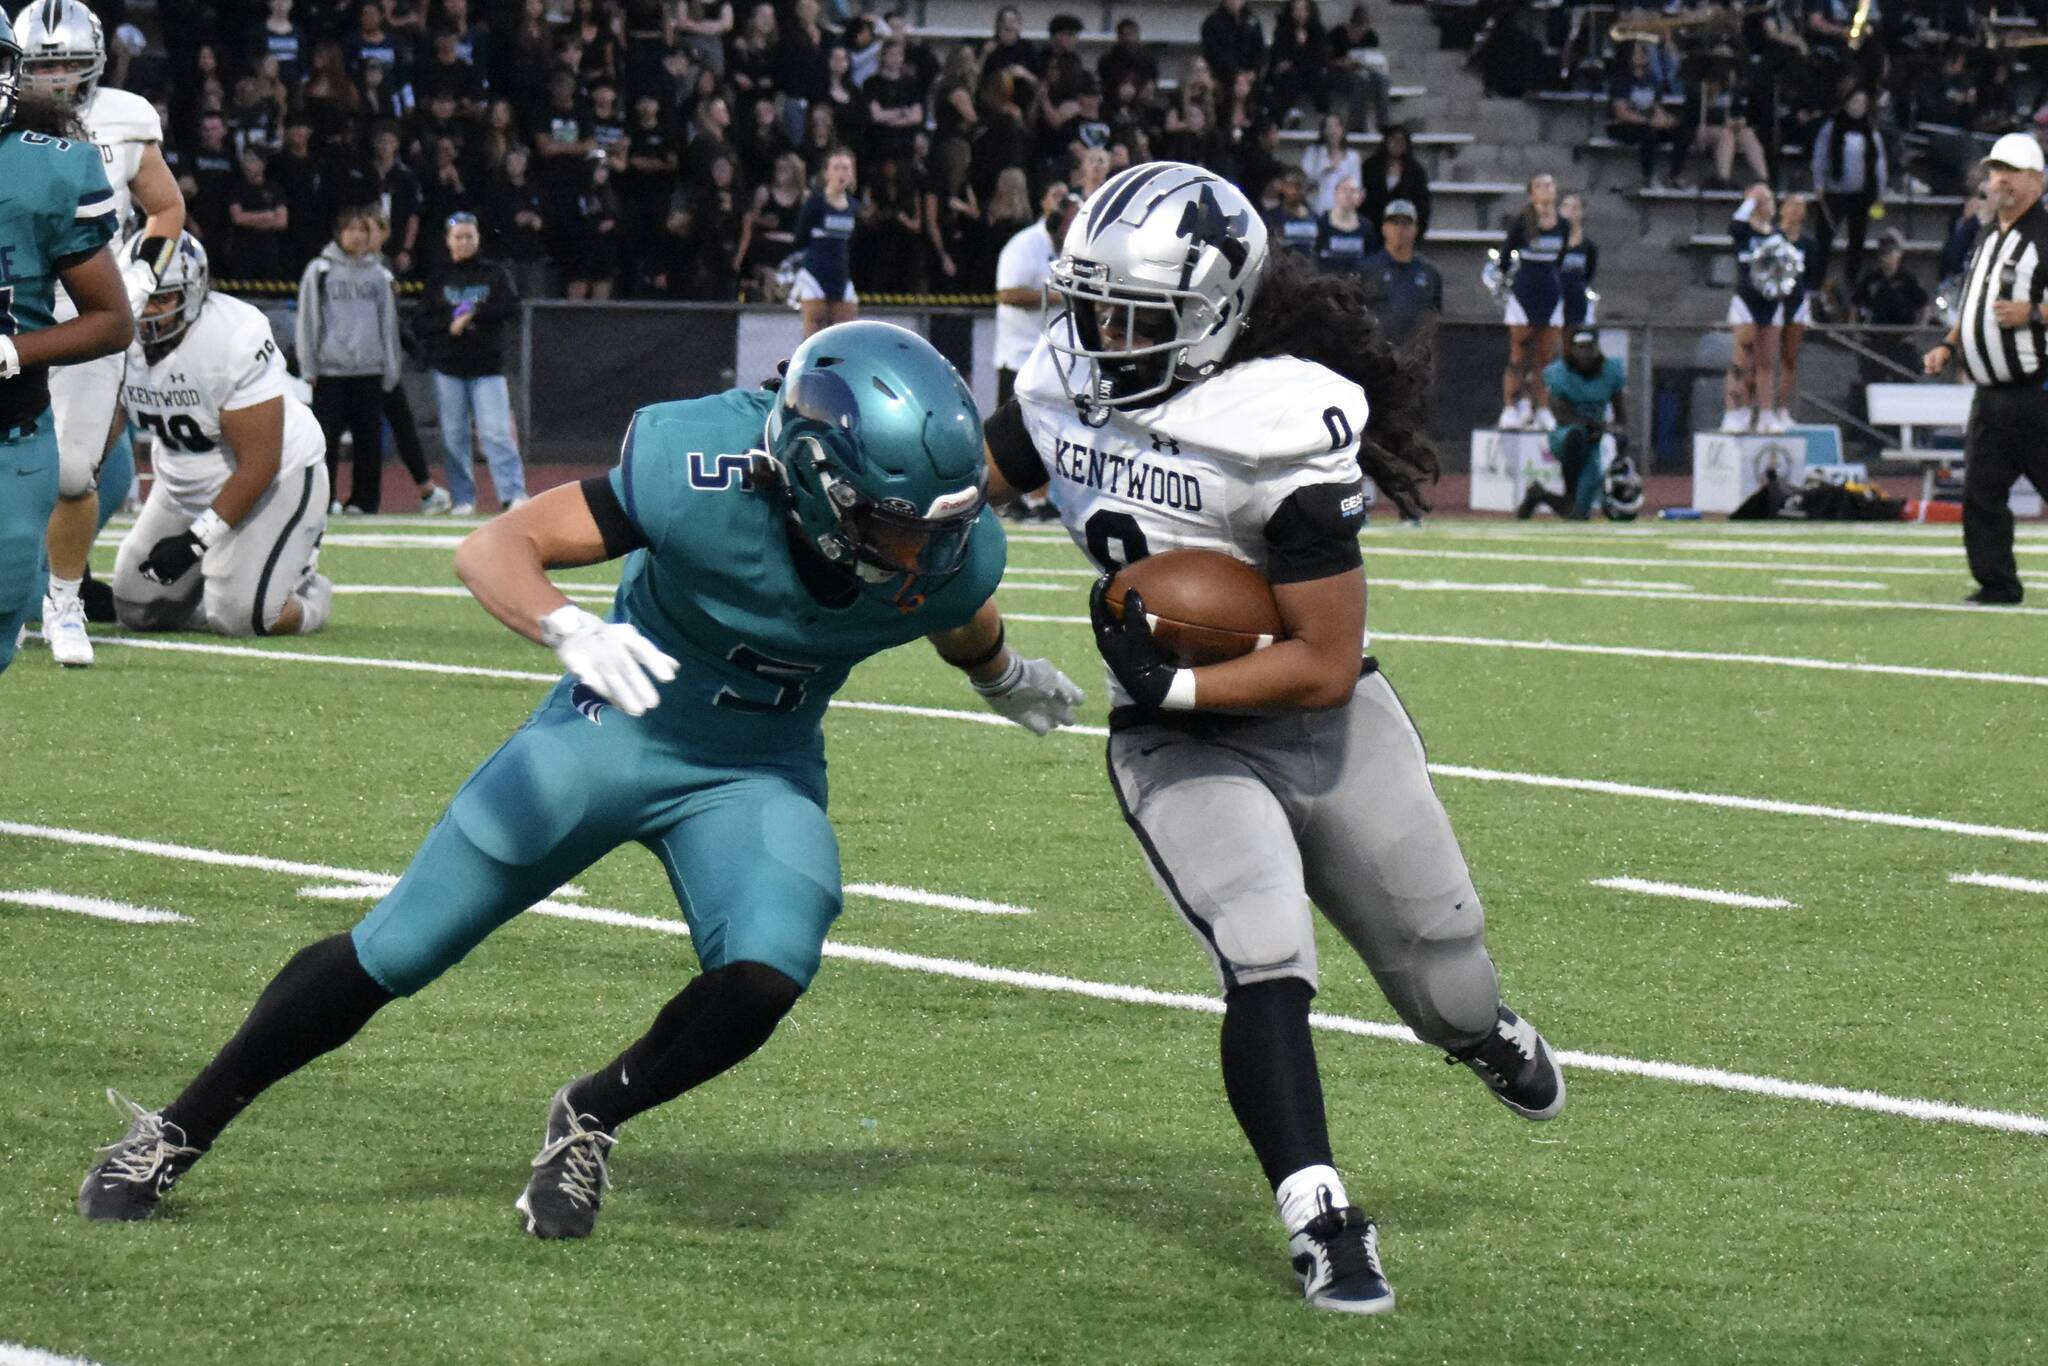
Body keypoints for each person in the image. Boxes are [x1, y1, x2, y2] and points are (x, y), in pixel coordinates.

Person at [77, 321, 1085, 1233]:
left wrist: (1000, 675)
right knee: (400, 946)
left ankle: (591, 1114)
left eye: (942, 526)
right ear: (816, 481)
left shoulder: (944, 548)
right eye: (901, 528)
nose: (926, 552)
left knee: (770, 965)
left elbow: (952, 603)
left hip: (756, 767)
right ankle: (179, 1126)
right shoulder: (699, 471)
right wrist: (568, 626)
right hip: (617, 724)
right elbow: (496, 546)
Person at [984, 161, 1564, 1316]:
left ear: (1211, 311)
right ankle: (1320, 1215)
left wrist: (1179, 679)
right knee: (1263, 954)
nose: (1098, 336)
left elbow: (1323, 660)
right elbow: (964, 485)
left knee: (1446, 983)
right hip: (1177, 742)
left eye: (1129, 314)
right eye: (1089, 306)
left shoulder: (1279, 423)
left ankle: (1478, 1033)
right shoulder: (1060, 384)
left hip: (1320, 719)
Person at [20, 0, 183, 671]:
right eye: (43, 65)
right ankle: (17, 592)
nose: (57, 78)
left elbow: (166, 207)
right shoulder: (7, 118)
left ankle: (64, 600)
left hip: (87, 310)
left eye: (68, 63)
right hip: (14, 305)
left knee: (73, 471)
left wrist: (141, 277)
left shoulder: (125, 116)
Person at [109, 233, 332, 637]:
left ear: (194, 293)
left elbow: (260, 464)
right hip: (183, 485)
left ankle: (308, 592)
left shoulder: (233, 336)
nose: (147, 311)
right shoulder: (116, 335)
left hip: (274, 483)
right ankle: (223, 585)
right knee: (138, 610)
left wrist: (195, 542)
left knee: (244, 617)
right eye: (140, 295)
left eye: (163, 298)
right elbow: (97, 441)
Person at [0, 15, 134, 676]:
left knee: (7, 591)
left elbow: (112, 319)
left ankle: (62, 600)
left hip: (13, 423)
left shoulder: (50, 166)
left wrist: (14, 351)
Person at [1922, 132, 2048, 606]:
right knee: (1980, 493)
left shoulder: (2044, 235)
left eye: (2012, 171)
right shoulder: (1987, 233)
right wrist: (1948, 346)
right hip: (1990, 396)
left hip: (2036, 391)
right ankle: (1997, 584)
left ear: (2037, 180)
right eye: (1996, 170)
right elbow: (1974, 304)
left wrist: (2033, 313)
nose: (2001, 180)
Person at [419, 212, 526, 516]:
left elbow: (512, 308)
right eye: (458, 237)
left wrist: (474, 314)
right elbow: (423, 321)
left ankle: (513, 494)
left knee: (496, 433)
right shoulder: (439, 277)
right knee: (454, 437)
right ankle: (463, 499)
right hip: (448, 368)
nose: (464, 242)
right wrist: (449, 324)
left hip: (487, 368)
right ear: (448, 240)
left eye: (469, 236)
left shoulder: (494, 273)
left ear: (478, 238)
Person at [297, 206, 402, 514]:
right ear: (339, 233)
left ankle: (363, 501)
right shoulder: (320, 271)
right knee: (324, 441)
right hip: (330, 371)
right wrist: (308, 365)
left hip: (369, 370)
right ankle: (324, 498)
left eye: (363, 230)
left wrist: (390, 367)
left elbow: (388, 323)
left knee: (368, 442)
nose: (357, 236)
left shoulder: (379, 274)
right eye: (351, 229)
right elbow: (308, 320)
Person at [1517, 324, 1628, 521]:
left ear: (1597, 347)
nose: (1585, 353)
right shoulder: (1560, 373)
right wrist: (1593, 425)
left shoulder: (1610, 371)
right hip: (1564, 437)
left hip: (1593, 442)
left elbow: (1621, 416)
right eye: (1580, 347)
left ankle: (1538, 494)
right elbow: (1561, 415)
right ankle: (1570, 492)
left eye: (1589, 347)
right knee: (1576, 433)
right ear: (1572, 349)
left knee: (1577, 515)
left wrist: (1618, 437)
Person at [1498, 172, 1567, 430]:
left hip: (1550, 293)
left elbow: (1560, 260)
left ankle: (1542, 408)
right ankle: (1510, 406)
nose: (1546, 188)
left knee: (1545, 357)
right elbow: (1505, 258)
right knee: (1519, 355)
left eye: (1549, 184)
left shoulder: (1564, 225)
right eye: (1540, 185)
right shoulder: (1521, 221)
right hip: (1525, 292)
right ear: (1531, 193)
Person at [1810, 86, 1885, 310]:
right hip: (1835, 193)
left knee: (1857, 241)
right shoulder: (1831, 127)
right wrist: (1819, 182)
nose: (1858, 107)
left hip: (1861, 194)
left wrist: (1880, 190)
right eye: (1855, 102)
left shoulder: (1870, 131)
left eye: (1862, 103)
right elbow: (1820, 155)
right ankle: (1816, 284)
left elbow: (1879, 162)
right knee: (1824, 239)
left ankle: (1852, 284)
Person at [1358, 198, 1441, 351]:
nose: (1399, 229)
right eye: (1394, 223)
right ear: (1384, 228)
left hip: (1415, 354)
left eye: (1406, 224)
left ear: (1415, 229)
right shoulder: (1367, 269)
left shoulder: (1429, 273)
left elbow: (1434, 314)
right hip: (1376, 354)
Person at [792, 145, 858, 336]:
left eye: (846, 168)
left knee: (843, 334)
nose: (841, 173)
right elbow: (800, 237)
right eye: (836, 168)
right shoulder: (815, 204)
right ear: (827, 173)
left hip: (840, 276)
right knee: (813, 334)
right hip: (815, 275)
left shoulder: (854, 206)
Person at [1607, 42, 1685, 190]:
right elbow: (1621, 112)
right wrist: (1648, 121)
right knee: (1647, 132)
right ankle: (1648, 177)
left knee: (1681, 131)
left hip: (1648, 122)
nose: (1643, 55)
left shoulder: (1652, 80)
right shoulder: (1621, 80)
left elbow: (1656, 107)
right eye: (1638, 52)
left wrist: (1666, 120)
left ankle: (1675, 175)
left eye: (1644, 52)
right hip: (1624, 125)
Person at [1314, 176, 1371, 275]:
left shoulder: (1367, 226)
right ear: (1335, 194)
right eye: (1344, 190)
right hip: (1327, 280)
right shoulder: (1321, 223)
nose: (1348, 194)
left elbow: (1370, 258)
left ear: (1361, 196)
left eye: (1353, 191)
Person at [1558, 191, 1598, 330]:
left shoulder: (1589, 247)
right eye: (1566, 206)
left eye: (1575, 208)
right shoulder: (1553, 242)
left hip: (1576, 303)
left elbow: (1589, 274)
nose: (1570, 212)